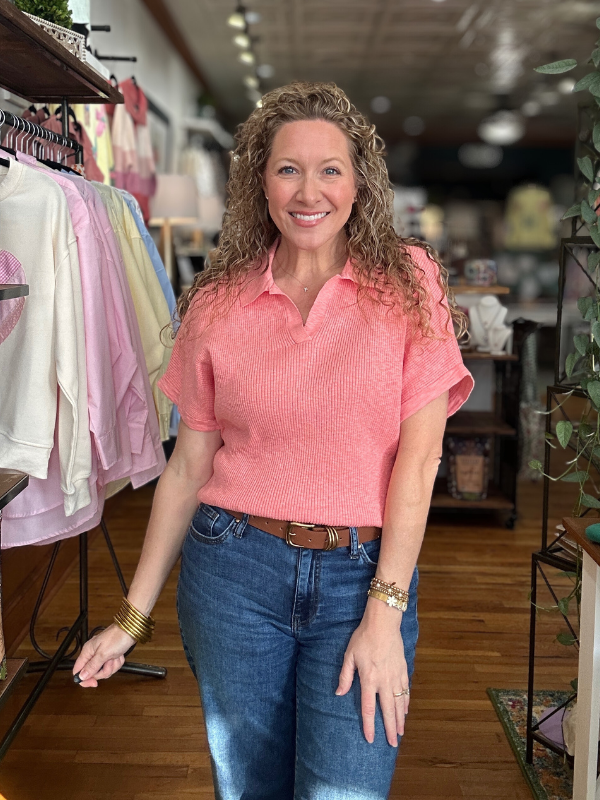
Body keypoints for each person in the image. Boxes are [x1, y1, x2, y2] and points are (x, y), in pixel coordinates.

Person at [73, 81, 474, 800]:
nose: (308, 190)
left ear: (359, 184)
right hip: (233, 574)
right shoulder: (218, 303)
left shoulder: (410, 284)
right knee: (249, 789)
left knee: (348, 788)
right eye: (288, 168)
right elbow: (188, 468)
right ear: (261, 182)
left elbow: (420, 460)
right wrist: (130, 618)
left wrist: (384, 611)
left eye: (330, 169)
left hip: (363, 576)